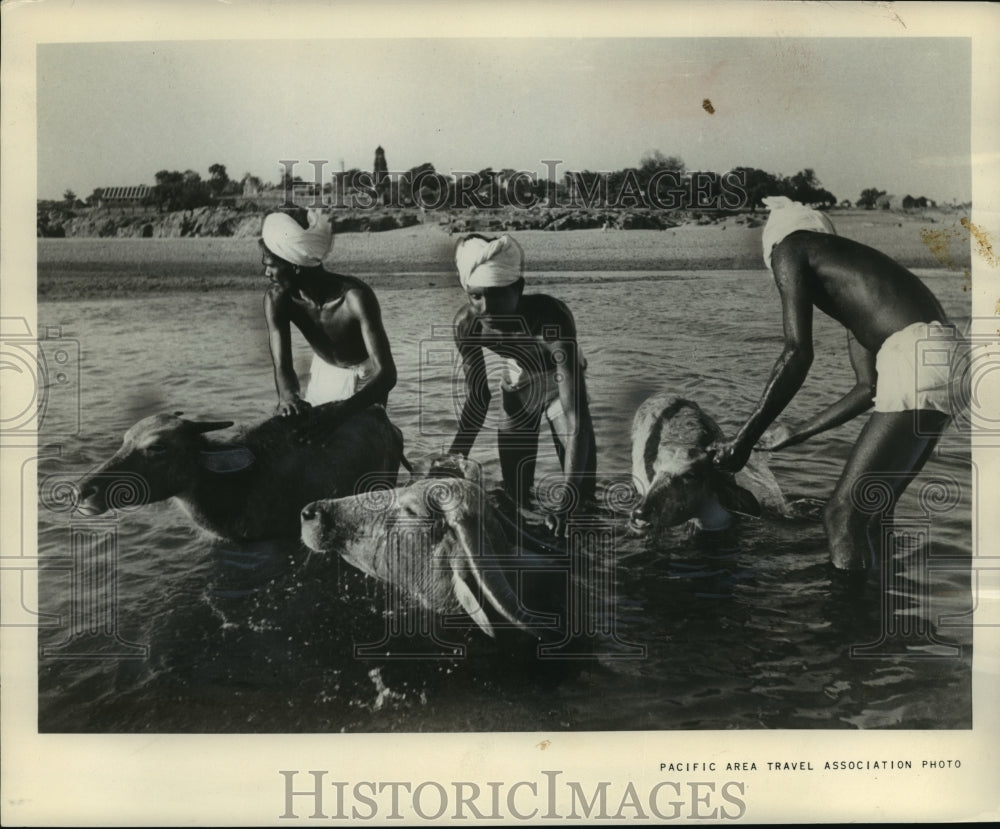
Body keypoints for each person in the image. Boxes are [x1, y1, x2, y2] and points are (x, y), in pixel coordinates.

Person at [712, 196, 960, 571]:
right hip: (945, 357)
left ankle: (849, 621)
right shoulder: (857, 291)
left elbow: (797, 353)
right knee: (875, 510)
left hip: (914, 355)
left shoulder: (791, 246)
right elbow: (867, 388)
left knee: (841, 515)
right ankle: (883, 611)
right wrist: (797, 431)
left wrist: (742, 442)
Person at [448, 234, 597, 535]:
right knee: (516, 492)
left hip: (561, 378)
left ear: (518, 288)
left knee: (581, 492)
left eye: (497, 294)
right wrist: (451, 461)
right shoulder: (467, 326)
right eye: (476, 296)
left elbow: (574, 415)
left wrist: (566, 498)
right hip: (519, 379)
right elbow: (478, 400)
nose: (486, 307)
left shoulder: (550, 318)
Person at [260, 208, 397, 420]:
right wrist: (289, 398)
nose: (266, 273)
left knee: (358, 445)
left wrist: (340, 412)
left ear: (295, 265)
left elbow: (386, 375)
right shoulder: (277, 299)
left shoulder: (355, 298)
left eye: (271, 266)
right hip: (324, 371)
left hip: (367, 378)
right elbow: (282, 365)